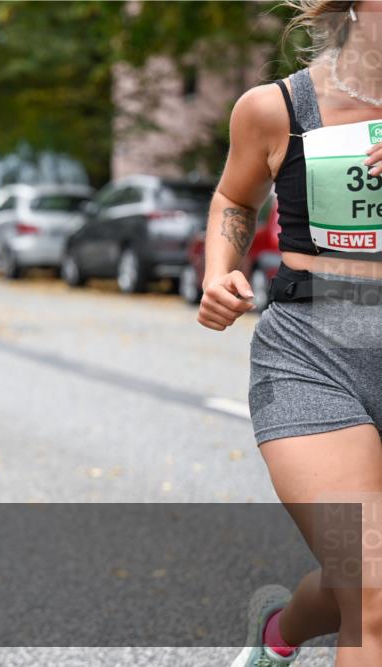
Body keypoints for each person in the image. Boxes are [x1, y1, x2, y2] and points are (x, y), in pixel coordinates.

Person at [196, 2, 381, 665]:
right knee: (374, 591)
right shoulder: (274, 108)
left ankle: (280, 629)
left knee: (351, 584)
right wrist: (221, 270)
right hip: (312, 354)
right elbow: (235, 199)